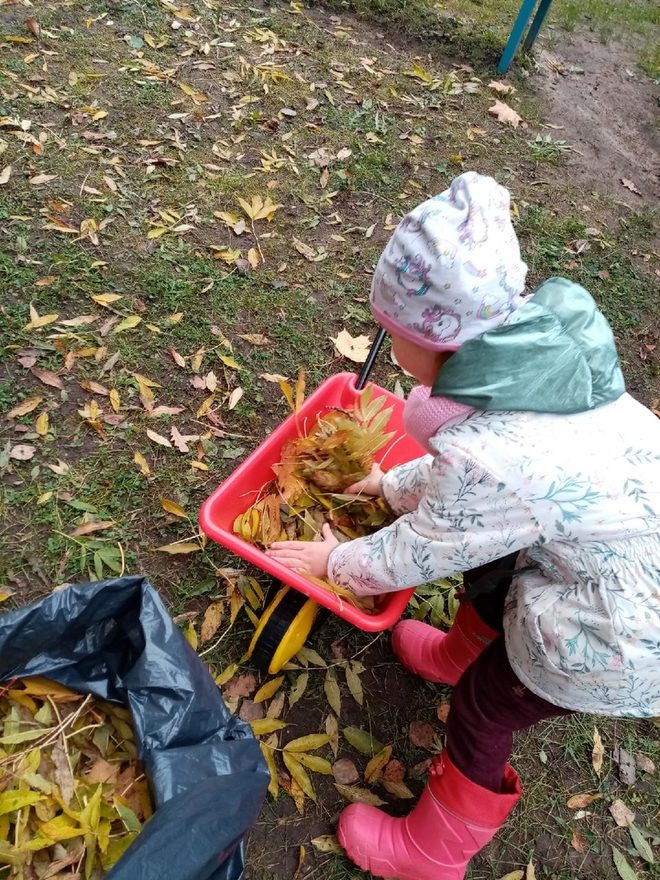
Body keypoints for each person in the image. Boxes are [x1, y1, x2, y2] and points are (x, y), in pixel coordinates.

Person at [267, 172, 660, 880]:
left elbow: (433, 538)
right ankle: (456, 655)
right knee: (496, 565)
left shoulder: (499, 455)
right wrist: (389, 483)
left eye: (393, 337)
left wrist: (338, 563)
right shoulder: (529, 361)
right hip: (614, 552)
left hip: (622, 632)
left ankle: (430, 855)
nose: (390, 352)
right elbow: (470, 486)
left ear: (433, 342)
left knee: (486, 711)